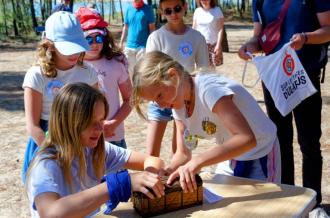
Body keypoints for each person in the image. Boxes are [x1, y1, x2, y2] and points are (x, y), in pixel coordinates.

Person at [132, 51, 281, 193]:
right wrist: (170, 170)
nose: (159, 105)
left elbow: (246, 139)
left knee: (260, 208)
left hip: (260, 153)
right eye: (154, 101)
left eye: (159, 96)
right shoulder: (177, 103)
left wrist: (198, 162)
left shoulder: (209, 91)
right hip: (230, 156)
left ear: (173, 75)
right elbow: (183, 153)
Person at [238, 0, 330, 206]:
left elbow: (328, 29)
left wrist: (306, 38)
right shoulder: (259, 1)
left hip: (304, 76)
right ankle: (288, 198)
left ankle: (313, 202)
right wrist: (250, 46)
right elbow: (259, 36)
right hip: (274, 77)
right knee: (280, 141)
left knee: (310, 143)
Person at [25, 83, 165, 217]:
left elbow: (152, 160)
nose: (100, 129)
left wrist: (149, 179)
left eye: (101, 120)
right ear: (68, 122)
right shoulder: (46, 163)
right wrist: (114, 186)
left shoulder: (95, 149)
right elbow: (50, 213)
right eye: (90, 122)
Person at [21, 11, 99, 183]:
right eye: (67, 48)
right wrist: (55, 154)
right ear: (49, 45)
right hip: (47, 143)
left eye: (77, 46)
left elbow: (96, 113)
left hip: (81, 140)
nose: (74, 53)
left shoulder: (88, 73)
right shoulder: (37, 75)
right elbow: (33, 126)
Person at [145, 0, 209, 159]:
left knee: (181, 152)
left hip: (185, 98)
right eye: (168, 11)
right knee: (151, 154)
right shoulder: (156, 37)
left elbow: (204, 70)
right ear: (161, 12)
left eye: (177, 9)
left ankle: (176, 181)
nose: (173, 14)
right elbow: (149, 71)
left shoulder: (197, 37)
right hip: (159, 98)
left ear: (185, 6)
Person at [76, 7, 132, 149]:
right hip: (81, 138)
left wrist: (114, 123)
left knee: (117, 171)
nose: (94, 44)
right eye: (88, 39)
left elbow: (130, 99)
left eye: (98, 37)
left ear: (105, 37)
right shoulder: (73, 65)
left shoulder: (116, 62)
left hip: (113, 136)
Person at [119, 0, 156, 74]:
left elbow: (152, 29)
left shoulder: (148, 9)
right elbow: (125, 27)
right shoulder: (128, 9)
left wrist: (152, 45)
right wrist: (121, 42)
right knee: (130, 72)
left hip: (143, 47)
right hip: (129, 47)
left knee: (142, 72)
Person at [192, 0, 224, 67]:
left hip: (212, 45)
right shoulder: (197, 11)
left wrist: (218, 45)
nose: (204, 1)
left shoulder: (217, 10)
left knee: (211, 70)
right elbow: (193, 29)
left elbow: (220, 29)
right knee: (199, 68)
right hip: (199, 45)